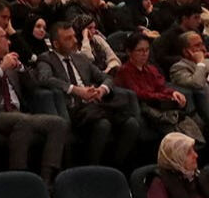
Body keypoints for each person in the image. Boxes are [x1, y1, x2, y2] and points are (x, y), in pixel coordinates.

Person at [33, 20, 144, 169]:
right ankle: (92, 168)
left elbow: (105, 77)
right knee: (103, 124)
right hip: (73, 109)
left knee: (131, 124)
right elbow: (44, 78)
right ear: (56, 44)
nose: (75, 41)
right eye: (68, 38)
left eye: (74, 36)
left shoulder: (80, 58)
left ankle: (116, 167)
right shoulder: (46, 59)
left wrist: (101, 90)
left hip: (97, 105)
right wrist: (77, 90)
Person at [0, 25, 68, 182]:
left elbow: (33, 86)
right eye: (6, 38)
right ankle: (19, 178)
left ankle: (47, 179)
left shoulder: (9, 60)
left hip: (19, 113)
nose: (9, 42)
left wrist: (21, 69)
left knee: (58, 123)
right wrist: (1, 68)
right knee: (23, 121)